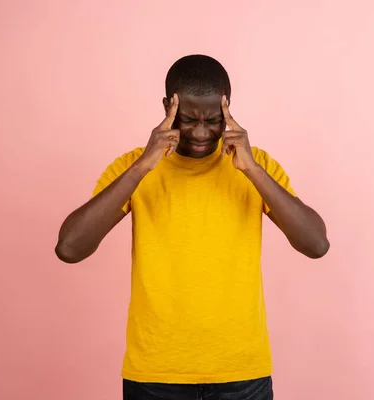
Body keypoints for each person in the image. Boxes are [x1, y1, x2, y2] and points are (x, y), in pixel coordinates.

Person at [55, 54, 330, 400]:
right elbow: (69, 248)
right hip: (155, 374)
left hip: (241, 373)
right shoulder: (134, 167)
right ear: (168, 106)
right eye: (188, 119)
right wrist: (143, 166)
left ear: (228, 109)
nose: (201, 133)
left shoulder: (255, 165)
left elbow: (316, 244)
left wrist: (253, 171)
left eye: (214, 120)